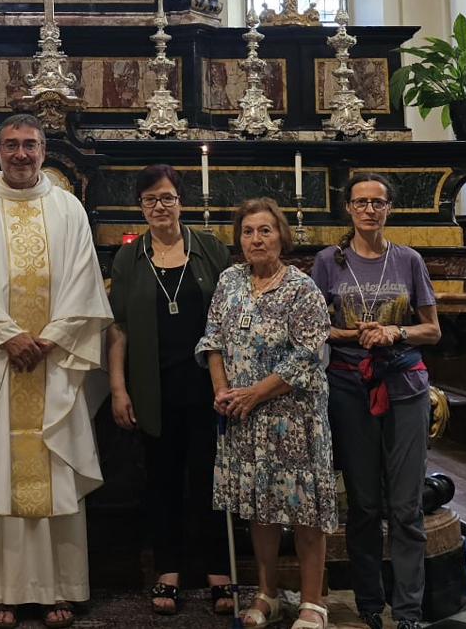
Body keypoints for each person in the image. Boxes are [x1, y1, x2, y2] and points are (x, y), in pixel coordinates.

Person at [0, 114, 113, 629]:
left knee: (55, 471)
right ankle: (1, 589)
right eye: (11, 145)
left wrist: (54, 336)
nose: (21, 154)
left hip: (54, 362)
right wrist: (8, 336)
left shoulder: (69, 208)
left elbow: (85, 278)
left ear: (43, 150)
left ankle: (59, 587)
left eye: (30, 145)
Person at [196, 198, 336, 629]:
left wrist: (255, 393)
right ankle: (266, 593)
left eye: (265, 231)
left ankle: (313, 602)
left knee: (304, 509)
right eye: (248, 232)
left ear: (281, 236)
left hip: (294, 417)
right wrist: (222, 389)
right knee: (260, 508)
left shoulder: (301, 288)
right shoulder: (229, 280)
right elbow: (212, 339)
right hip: (244, 418)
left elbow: (307, 356)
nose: (256, 239)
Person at [310, 173, 441, 629]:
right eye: (361, 202)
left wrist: (394, 331)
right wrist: (354, 333)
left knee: (405, 507)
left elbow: (432, 329)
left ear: (388, 210)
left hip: (405, 384)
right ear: (348, 208)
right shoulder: (330, 261)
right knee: (364, 504)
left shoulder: (408, 260)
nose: (369, 210)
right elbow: (313, 328)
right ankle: (369, 603)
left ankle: (407, 610)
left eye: (378, 203)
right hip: (348, 385)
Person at [106, 164, 234, 616]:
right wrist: (118, 389)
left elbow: (231, 317)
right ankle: (168, 571)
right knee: (160, 483)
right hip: (152, 388)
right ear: (139, 207)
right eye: (149, 200)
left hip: (208, 387)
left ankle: (219, 571)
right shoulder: (129, 257)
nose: (159, 207)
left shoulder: (211, 249)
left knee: (210, 481)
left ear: (181, 201)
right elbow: (117, 328)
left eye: (167, 198)